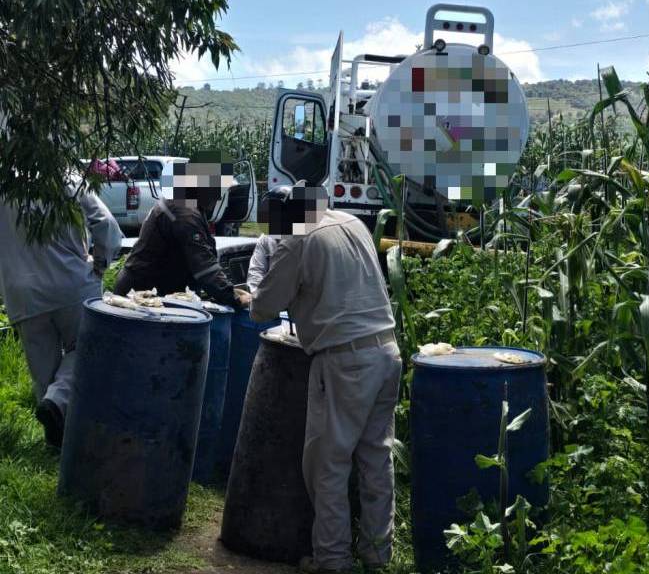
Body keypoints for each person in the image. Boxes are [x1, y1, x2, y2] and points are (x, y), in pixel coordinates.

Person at [247, 184, 401, 573]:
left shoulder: (298, 239)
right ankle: (377, 554)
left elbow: (264, 306)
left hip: (345, 362)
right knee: (376, 458)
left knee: (328, 464)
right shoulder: (352, 223)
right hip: (386, 349)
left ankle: (333, 561)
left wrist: (254, 293)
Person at [0, 185, 123, 448]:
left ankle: (56, 440)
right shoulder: (66, 178)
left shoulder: (5, 181)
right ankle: (58, 407)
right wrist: (101, 263)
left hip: (22, 291)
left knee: (43, 370)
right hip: (71, 283)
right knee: (88, 348)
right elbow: (107, 225)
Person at [114, 152, 249, 309]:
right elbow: (204, 266)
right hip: (140, 298)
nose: (219, 197)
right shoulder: (185, 211)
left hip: (153, 294)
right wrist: (233, 297)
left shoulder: (187, 204)